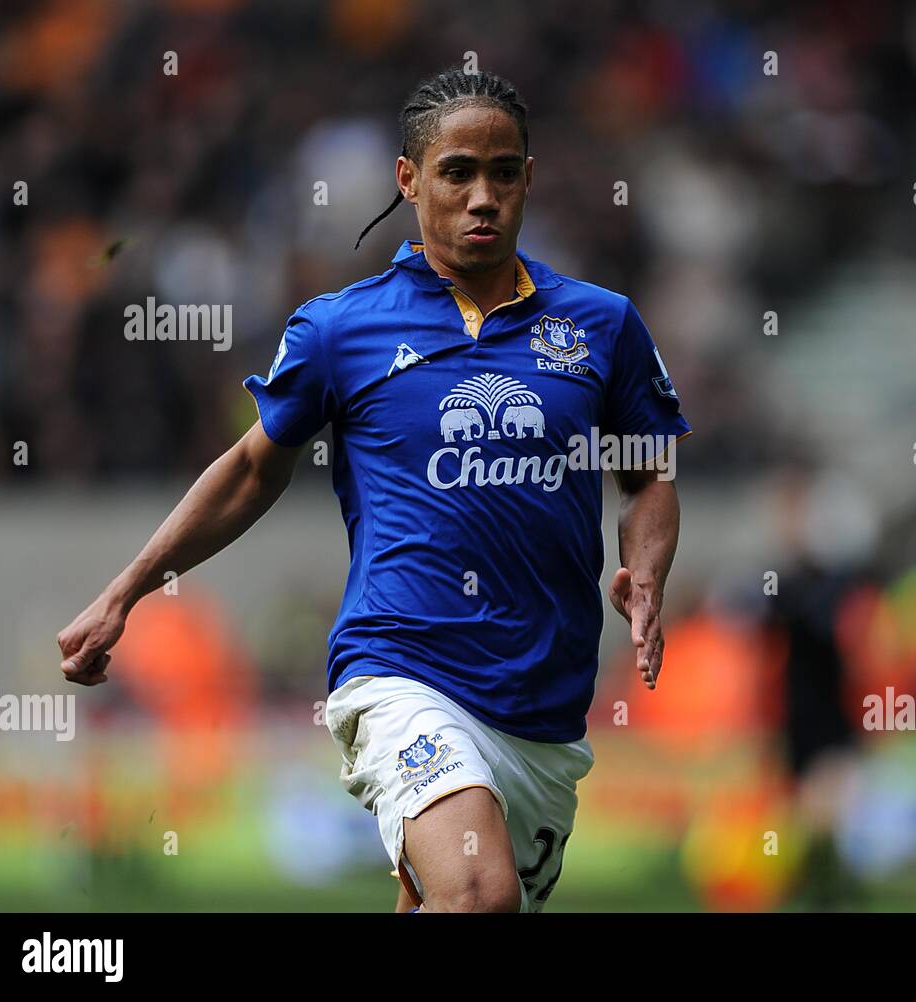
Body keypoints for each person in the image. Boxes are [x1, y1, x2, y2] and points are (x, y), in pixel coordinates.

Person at [56, 68, 691, 913]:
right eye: (457, 171)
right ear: (409, 179)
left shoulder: (601, 324)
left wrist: (645, 568)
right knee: (476, 897)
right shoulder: (340, 328)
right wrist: (123, 594)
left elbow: (649, 474)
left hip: (545, 703)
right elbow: (251, 469)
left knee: (445, 901)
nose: (483, 197)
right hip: (402, 669)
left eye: (505, 173)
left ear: (529, 181)